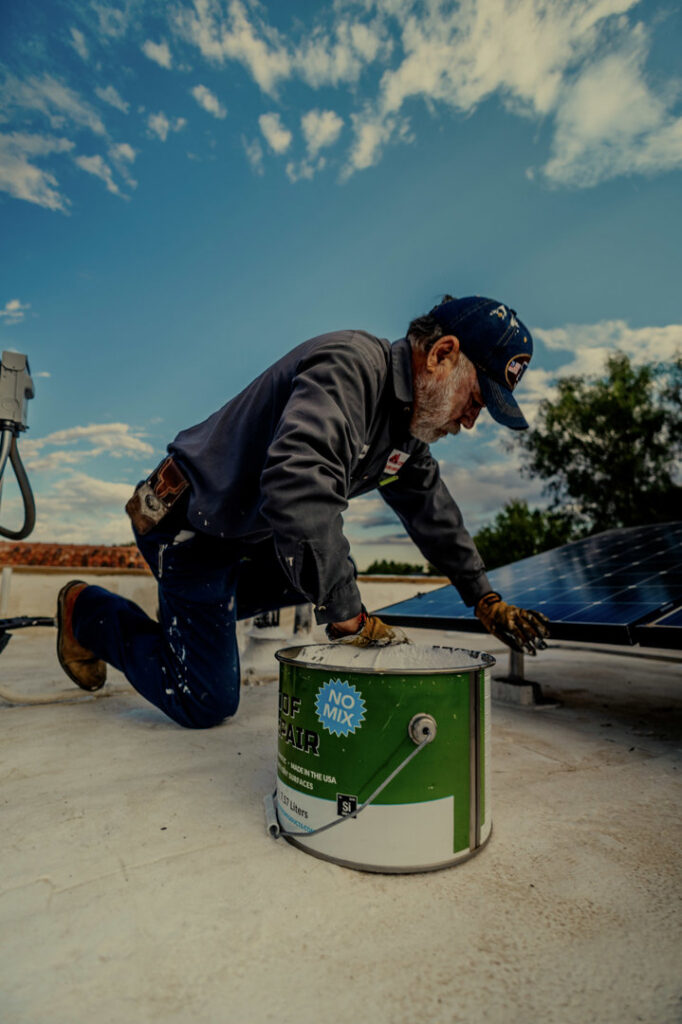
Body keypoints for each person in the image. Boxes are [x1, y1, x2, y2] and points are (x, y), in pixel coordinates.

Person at [56, 294, 549, 728]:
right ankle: (86, 609)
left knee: (319, 568)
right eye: (476, 400)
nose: (469, 421)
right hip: (188, 524)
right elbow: (298, 485)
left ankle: (197, 617)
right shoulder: (350, 368)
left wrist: (483, 596)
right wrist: (349, 618)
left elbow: (431, 510)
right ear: (443, 354)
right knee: (205, 703)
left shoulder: (405, 432)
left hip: (240, 536)